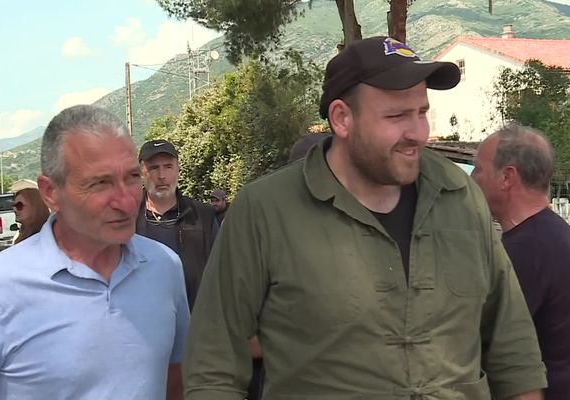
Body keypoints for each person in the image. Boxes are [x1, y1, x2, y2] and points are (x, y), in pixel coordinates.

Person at [183, 37, 546, 399]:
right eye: (396, 116)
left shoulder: (461, 195)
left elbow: (514, 351)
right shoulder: (264, 210)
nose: (418, 133)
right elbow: (213, 367)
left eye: (421, 112)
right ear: (342, 118)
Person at [0, 105, 190, 400]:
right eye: (101, 184)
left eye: (132, 177)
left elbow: (174, 377)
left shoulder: (164, 266)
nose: (126, 202)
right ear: (50, 193)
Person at [472, 124, 570, 399]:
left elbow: (483, 337)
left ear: (507, 177)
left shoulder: (525, 251)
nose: (472, 180)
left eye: (478, 169)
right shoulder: (555, 235)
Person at [136, 139, 218, 311]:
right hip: (142, 323)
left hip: (195, 321)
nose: (161, 176)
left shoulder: (203, 216)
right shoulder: (128, 218)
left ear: (178, 169)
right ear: (141, 172)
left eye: (168, 166)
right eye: (154, 168)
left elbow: (220, 273)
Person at [10, 179, 50, 243]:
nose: (14, 209)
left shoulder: (46, 233)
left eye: (19, 205)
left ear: (34, 206)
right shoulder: (23, 233)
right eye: (14, 205)